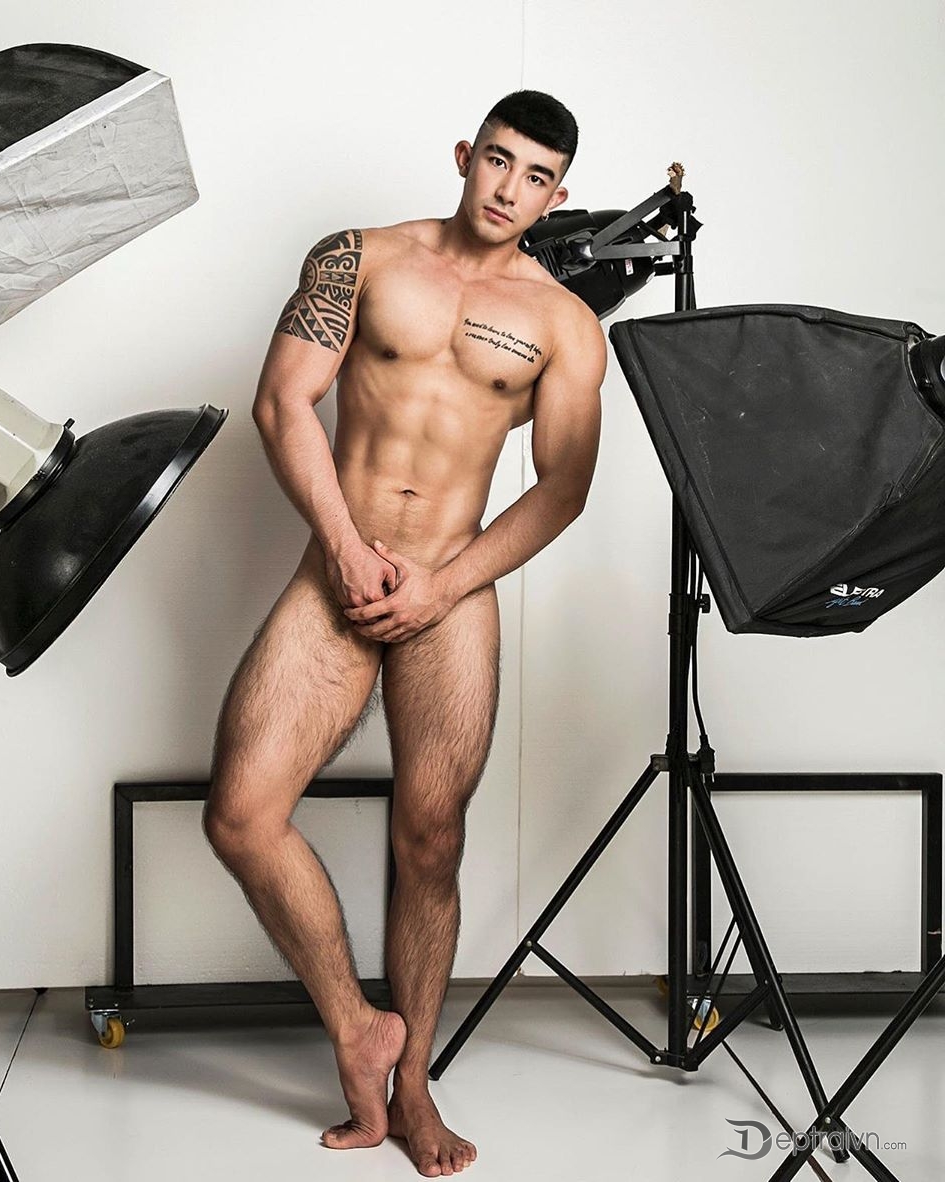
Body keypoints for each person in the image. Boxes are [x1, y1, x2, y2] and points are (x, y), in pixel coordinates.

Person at [202, 89, 605, 1178]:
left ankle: (415, 1084)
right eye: (499, 161)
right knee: (241, 815)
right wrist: (342, 548)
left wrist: (441, 586)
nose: (510, 189)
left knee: (431, 838)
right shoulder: (361, 257)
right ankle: (357, 1028)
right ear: (467, 154)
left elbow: (563, 488)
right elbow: (283, 404)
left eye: (536, 177)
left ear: (557, 194)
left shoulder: (565, 324)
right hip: (338, 567)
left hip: (451, 592)